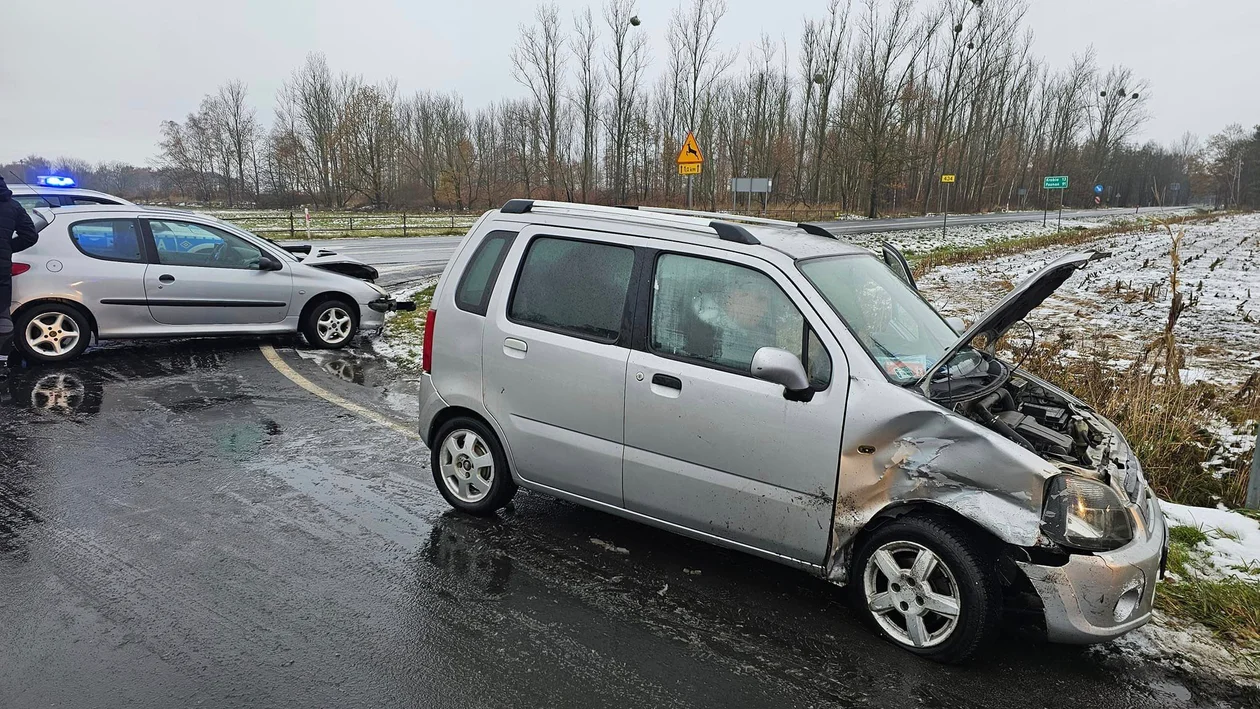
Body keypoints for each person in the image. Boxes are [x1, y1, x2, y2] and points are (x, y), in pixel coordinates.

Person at [0, 176, 40, 359]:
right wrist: (8, 248)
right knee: (2, 316)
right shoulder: (13, 206)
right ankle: (2, 360)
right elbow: (30, 236)